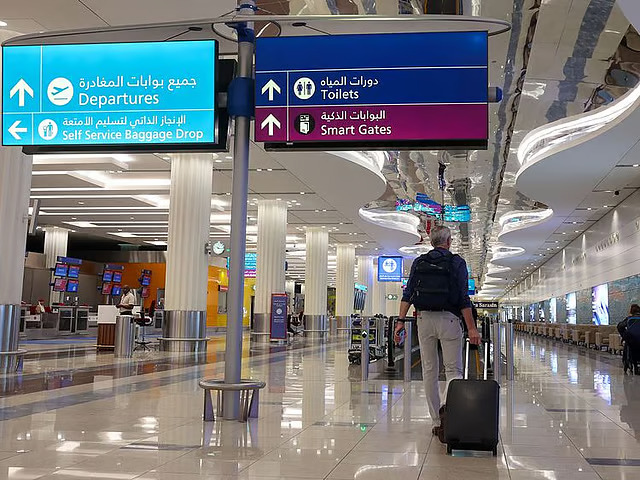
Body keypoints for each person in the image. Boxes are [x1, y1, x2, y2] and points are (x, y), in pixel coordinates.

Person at [394, 225, 481, 436]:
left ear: (431, 242)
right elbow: (463, 298)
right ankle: (447, 411)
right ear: (449, 241)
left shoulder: (419, 262)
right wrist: (471, 328)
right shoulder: (457, 262)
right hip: (449, 319)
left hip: (424, 319)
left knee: (429, 370)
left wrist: (400, 321)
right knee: (453, 370)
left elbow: (408, 293)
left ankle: (435, 420)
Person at [618, 304, 640, 374]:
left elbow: (620, 326)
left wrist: (624, 335)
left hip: (631, 341)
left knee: (628, 344)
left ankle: (629, 363)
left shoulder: (629, 319)